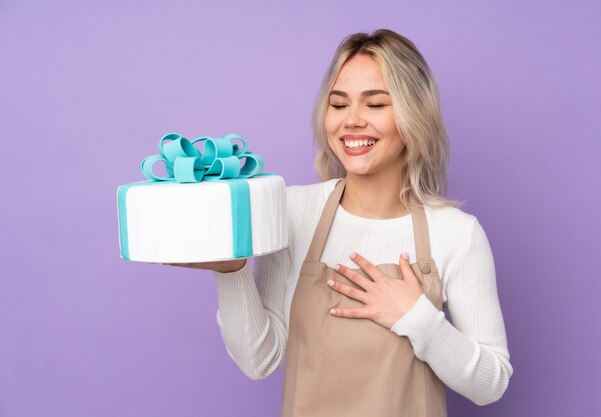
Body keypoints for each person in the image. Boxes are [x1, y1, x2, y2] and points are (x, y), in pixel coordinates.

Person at [168, 29, 512, 416]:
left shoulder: (455, 233)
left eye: (376, 104)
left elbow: (491, 384)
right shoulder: (292, 212)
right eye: (338, 103)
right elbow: (259, 359)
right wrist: (231, 271)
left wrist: (417, 318)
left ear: (414, 114)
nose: (352, 121)